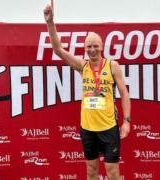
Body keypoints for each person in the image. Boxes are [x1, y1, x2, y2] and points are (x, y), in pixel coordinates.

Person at [44, 1, 131, 179]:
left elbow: (124, 93)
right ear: (85, 49)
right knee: (91, 170)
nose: (92, 50)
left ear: (102, 47)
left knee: (112, 171)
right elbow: (58, 50)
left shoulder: (112, 66)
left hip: (109, 127)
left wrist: (127, 121)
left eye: (95, 46)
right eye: (88, 47)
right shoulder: (82, 66)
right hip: (88, 128)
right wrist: (50, 23)